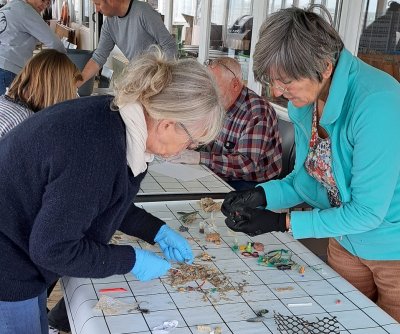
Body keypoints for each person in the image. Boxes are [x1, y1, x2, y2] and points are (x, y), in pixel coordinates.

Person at [0, 47, 224, 334]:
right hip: (9, 264)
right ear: (168, 124)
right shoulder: (98, 147)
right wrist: (130, 260)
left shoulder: (114, 119)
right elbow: (52, 249)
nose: (189, 149)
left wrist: (155, 230)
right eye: (193, 141)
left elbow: (102, 199)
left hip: (20, 248)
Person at [221, 5, 400, 322]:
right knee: (345, 323)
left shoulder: (378, 103)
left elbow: (368, 211)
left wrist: (283, 223)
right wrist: (261, 195)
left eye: (286, 81)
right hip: (344, 240)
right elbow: (307, 180)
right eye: (273, 81)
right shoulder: (306, 102)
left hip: (392, 250)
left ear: (326, 67)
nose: (277, 92)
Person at [168, 57, 282, 190]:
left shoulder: (257, 112)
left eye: (214, 87)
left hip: (254, 185)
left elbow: (245, 165)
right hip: (222, 173)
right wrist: (188, 144)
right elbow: (207, 140)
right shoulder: (221, 102)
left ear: (234, 84)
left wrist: (199, 157)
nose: (209, 93)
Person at [78, 0, 177, 87]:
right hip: (139, 79)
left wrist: (161, 78)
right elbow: (97, 59)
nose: (97, 9)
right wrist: (76, 83)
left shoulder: (143, 11)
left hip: (158, 79)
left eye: (98, 4)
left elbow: (170, 46)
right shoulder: (109, 24)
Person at [0, 49, 81, 138]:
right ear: (59, 91)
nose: (75, 96)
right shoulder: (26, 123)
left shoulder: (3, 100)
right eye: (74, 90)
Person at [0, 0, 66, 94]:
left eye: (48, 3)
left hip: (4, 66)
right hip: (7, 69)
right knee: (11, 108)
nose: (44, 5)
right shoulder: (26, 10)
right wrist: (68, 64)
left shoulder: (7, 8)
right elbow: (55, 43)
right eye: (42, 0)